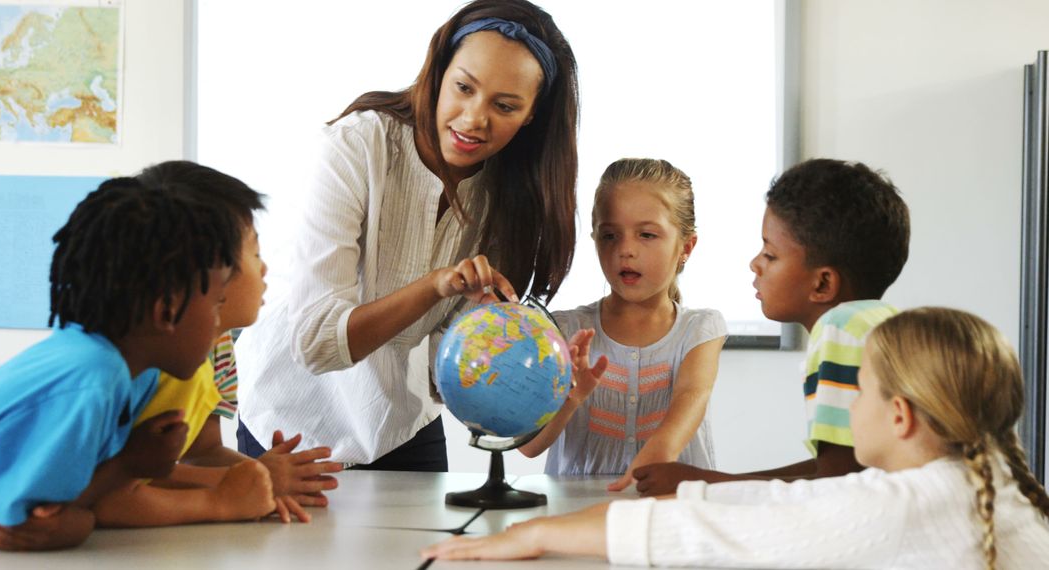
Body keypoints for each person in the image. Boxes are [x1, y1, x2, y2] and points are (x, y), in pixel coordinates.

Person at [422, 307, 1049, 568]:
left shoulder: (896, 506)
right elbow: (783, 506)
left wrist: (528, 537)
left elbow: (711, 534)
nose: (848, 404)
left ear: (902, 417)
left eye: (860, 389)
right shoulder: (989, 482)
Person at [234, 0, 580, 470]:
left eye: (505, 106)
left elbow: (445, 363)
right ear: (438, 74)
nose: (475, 118)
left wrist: (509, 360)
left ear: (531, 116)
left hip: (398, 422)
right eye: (463, 88)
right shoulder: (359, 145)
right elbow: (316, 343)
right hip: (292, 421)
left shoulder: (513, 197)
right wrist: (436, 286)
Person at [0, 175, 243, 549]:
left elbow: (69, 503)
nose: (217, 322)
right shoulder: (93, 379)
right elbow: (22, 527)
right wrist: (124, 471)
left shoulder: (126, 371)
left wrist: (127, 466)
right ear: (166, 311)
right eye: (216, 304)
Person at [631, 158, 910, 494]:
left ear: (823, 285)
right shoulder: (882, 322)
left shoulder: (838, 330)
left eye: (771, 254)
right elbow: (840, 466)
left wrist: (703, 484)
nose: (755, 263)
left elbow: (836, 486)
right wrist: (716, 479)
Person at [89, 161, 341, 528]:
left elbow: (200, 451)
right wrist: (251, 483)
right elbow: (115, 479)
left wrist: (262, 476)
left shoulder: (218, 343)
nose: (265, 269)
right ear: (208, 268)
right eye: (254, 253)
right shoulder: (155, 357)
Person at [517, 158, 726, 492]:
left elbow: (693, 393)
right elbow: (528, 446)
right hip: (577, 511)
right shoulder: (564, 328)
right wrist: (571, 396)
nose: (625, 250)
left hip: (669, 510)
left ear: (686, 246)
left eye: (646, 234)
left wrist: (656, 455)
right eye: (610, 235)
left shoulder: (700, 328)